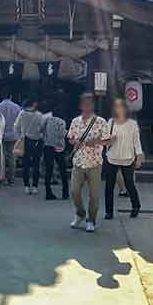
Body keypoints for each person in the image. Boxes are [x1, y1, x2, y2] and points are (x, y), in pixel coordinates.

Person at [68, 93, 109, 233]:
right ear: (80, 106)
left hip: (95, 163)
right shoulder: (75, 121)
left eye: (89, 103)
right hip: (78, 162)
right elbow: (70, 139)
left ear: (93, 105)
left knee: (94, 195)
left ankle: (91, 220)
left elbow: (108, 141)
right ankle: (80, 213)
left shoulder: (101, 122)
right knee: (74, 191)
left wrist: (96, 142)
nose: (86, 106)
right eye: (84, 104)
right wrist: (75, 141)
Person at [103, 98, 143, 219]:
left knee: (129, 184)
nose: (119, 109)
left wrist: (139, 156)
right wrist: (110, 139)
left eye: (121, 106)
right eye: (116, 107)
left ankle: (136, 206)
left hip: (128, 158)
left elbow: (137, 142)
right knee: (109, 185)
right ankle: (109, 211)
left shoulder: (132, 124)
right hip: (112, 157)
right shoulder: (110, 122)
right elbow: (105, 139)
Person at [14, 96, 44, 195]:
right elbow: (42, 128)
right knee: (36, 164)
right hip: (37, 141)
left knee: (26, 165)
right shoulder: (39, 115)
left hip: (25, 140)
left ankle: (26, 186)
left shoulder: (22, 113)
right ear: (34, 104)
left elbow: (16, 126)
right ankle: (35, 186)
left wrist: (20, 136)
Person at [41, 101, 68, 201]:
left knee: (49, 170)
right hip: (59, 147)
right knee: (62, 169)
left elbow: (41, 130)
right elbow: (61, 135)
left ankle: (48, 192)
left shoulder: (48, 120)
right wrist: (66, 132)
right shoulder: (62, 122)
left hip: (48, 146)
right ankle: (65, 192)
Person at [0, 90, 22, 186]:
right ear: (11, 96)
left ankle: (2, 178)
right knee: (12, 157)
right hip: (13, 135)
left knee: (2, 157)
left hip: (1, 135)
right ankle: (11, 179)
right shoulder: (17, 107)